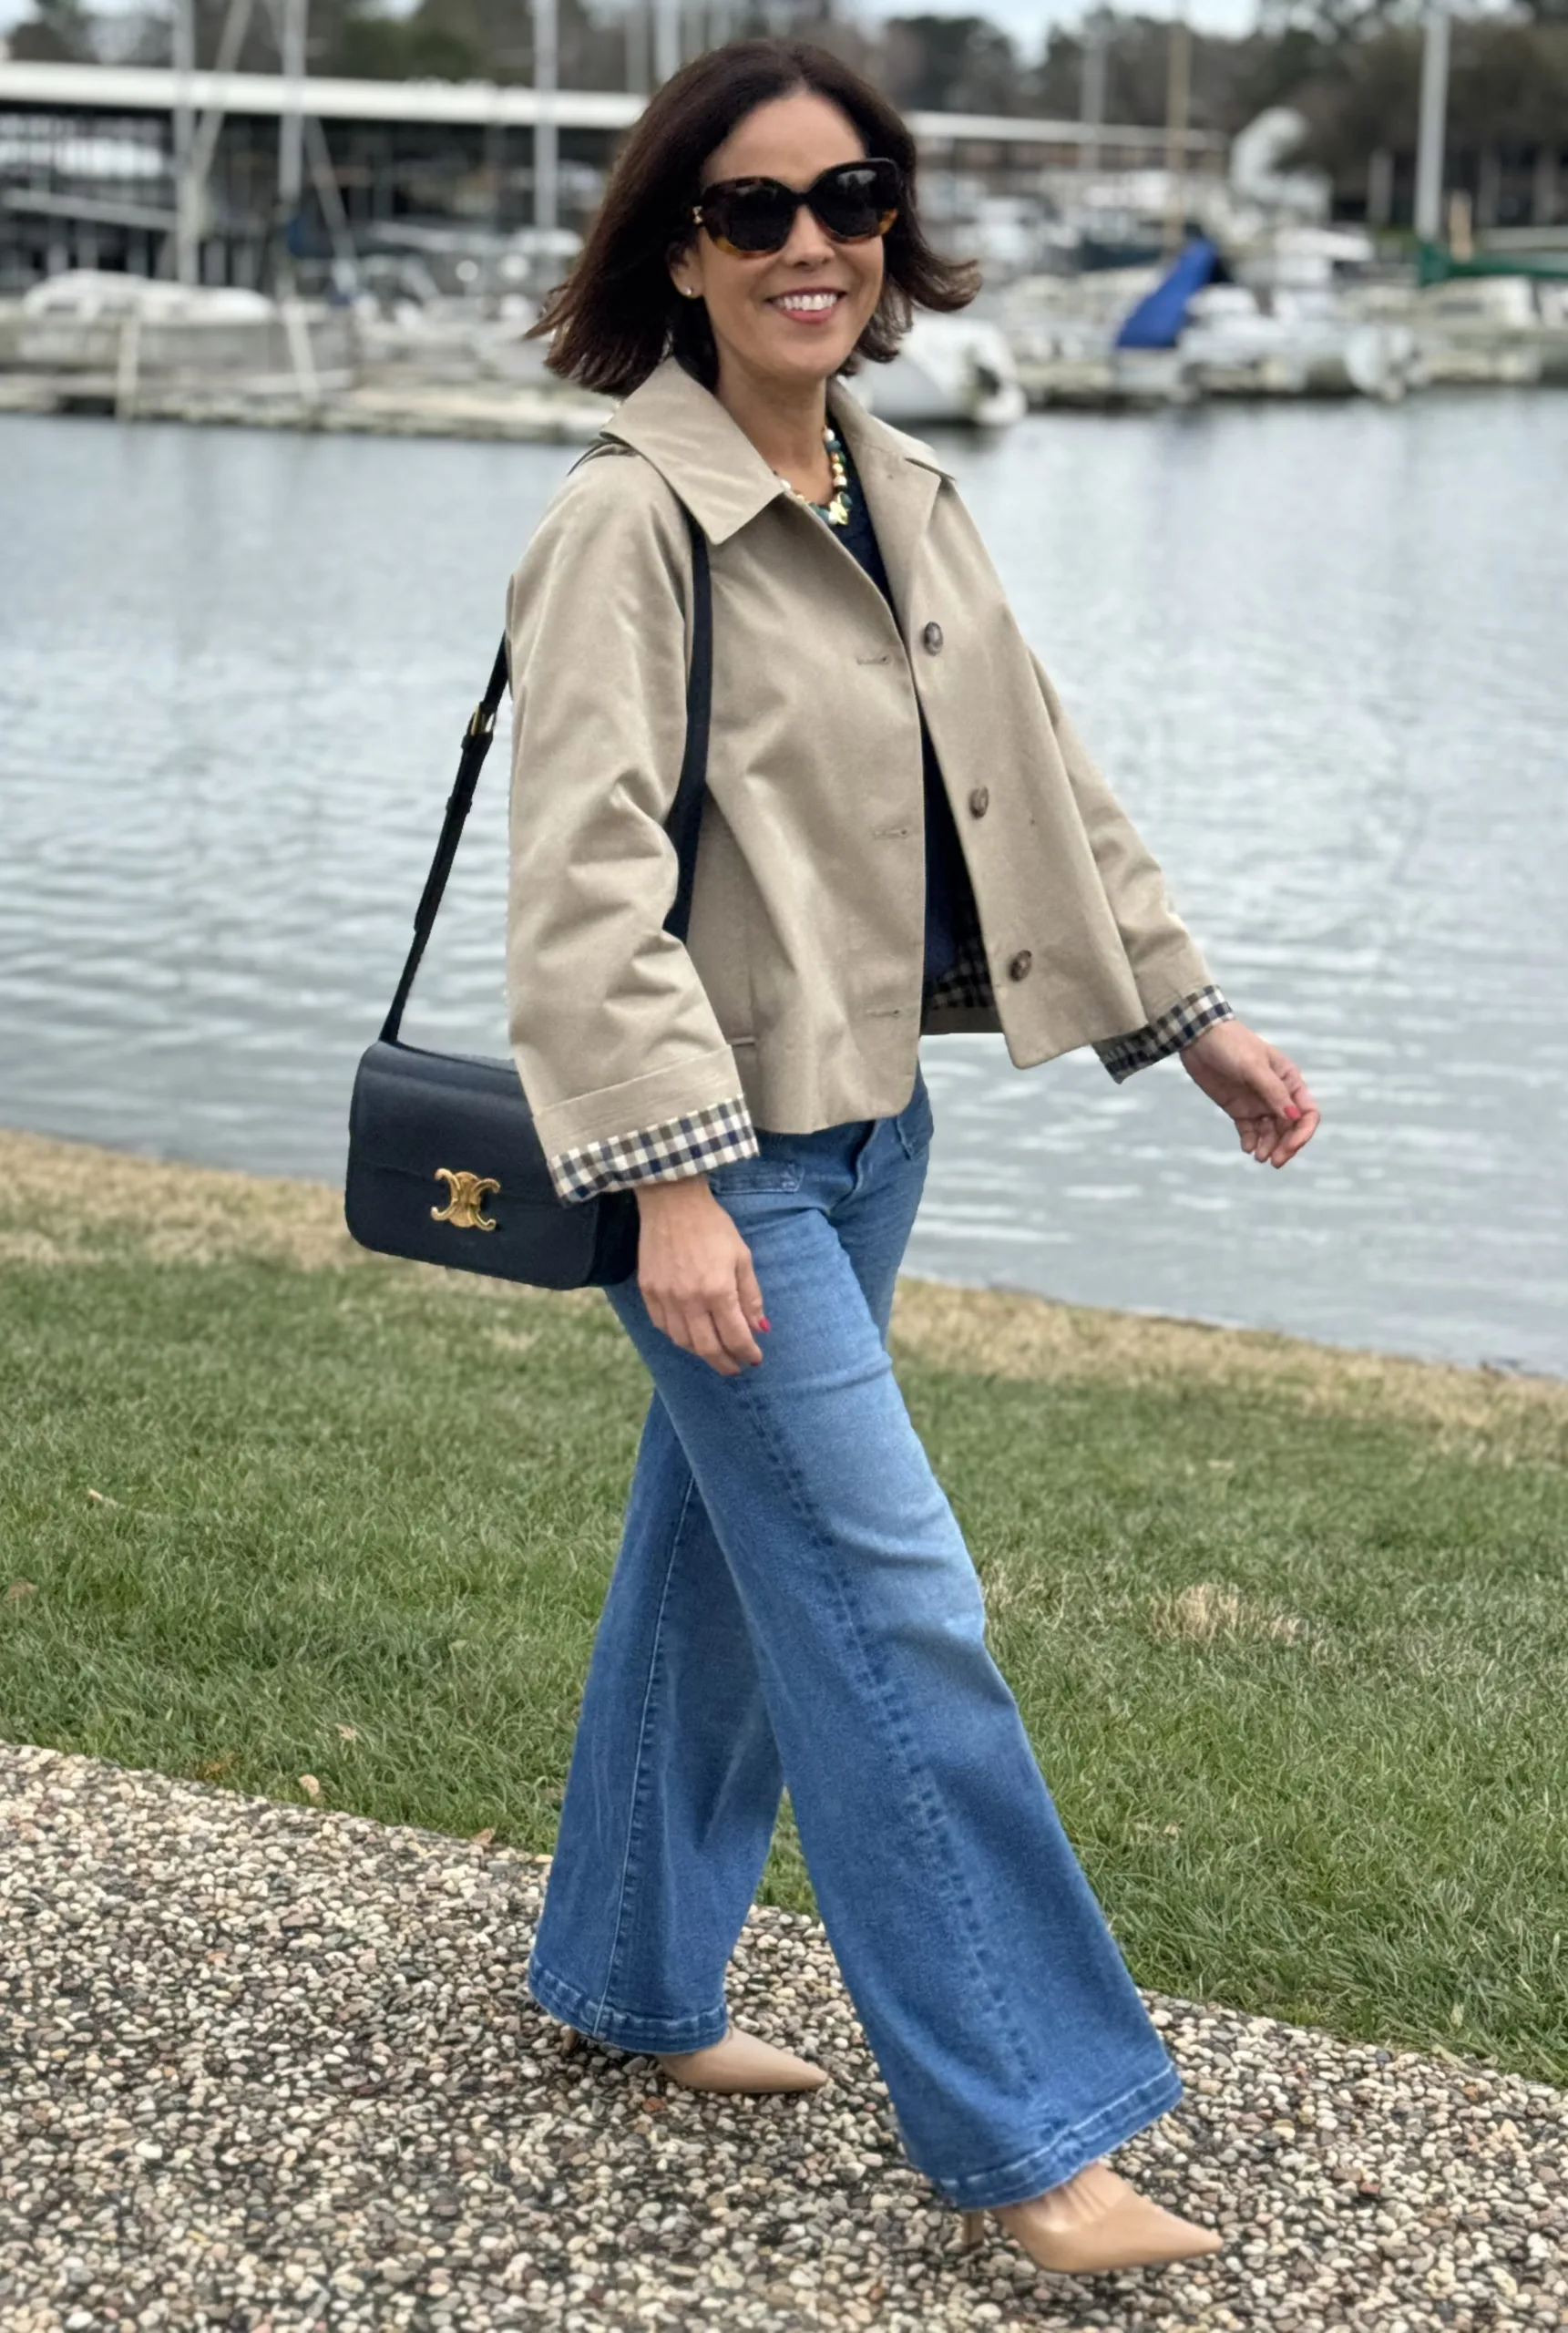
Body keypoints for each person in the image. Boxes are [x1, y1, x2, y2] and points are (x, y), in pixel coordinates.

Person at [503, 37, 1319, 2277]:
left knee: (720, 1577)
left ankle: (623, 1978)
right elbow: (579, 889)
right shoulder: (625, 520)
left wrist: (1189, 1016)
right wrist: (667, 1178)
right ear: (676, 243)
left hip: (872, 1132)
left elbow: (1043, 778)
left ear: (892, 226)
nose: (808, 245)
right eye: (754, 208)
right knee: (889, 1609)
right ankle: (1032, 2131)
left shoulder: (906, 488)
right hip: (725, 1150)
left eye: (846, 199)